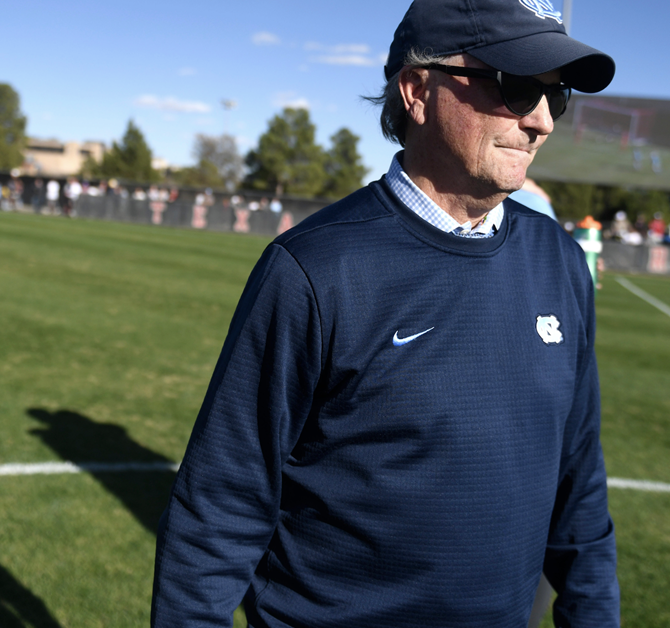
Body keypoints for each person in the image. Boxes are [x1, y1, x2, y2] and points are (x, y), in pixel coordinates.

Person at [151, 1, 619, 626]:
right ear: (417, 90)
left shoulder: (559, 260)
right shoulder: (315, 268)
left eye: (554, 96)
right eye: (514, 86)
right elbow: (220, 506)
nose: (542, 121)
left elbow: (578, 480)